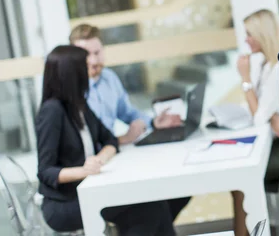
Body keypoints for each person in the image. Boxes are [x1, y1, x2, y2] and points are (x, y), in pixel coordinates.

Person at [36, 45, 176, 235]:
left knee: (151, 205)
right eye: (85, 66)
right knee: (148, 206)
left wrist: (99, 158)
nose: (91, 69)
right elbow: (45, 171)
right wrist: (84, 170)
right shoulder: (52, 111)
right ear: (72, 73)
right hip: (64, 204)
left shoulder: (79, 105)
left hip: (89, 188)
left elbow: (109, 139)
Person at [69, 24, 190, 220]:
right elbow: (78, 145)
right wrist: (121, 138)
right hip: (93, 166)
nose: (93, 60)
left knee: (180, 187)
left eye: (97, 52)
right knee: (151, 202)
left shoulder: (109, 78)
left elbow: (127, 112)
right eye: (85, 54)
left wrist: (153, 123)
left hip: (116, 156)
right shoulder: (71, 90)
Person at [231, 9, 279, 236]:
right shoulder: (266, 65)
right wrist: (269, 116)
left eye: (250, 34)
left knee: (240, 179)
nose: (246, 40)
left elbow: (259, 118)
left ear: (263, 34)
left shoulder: (278, 69)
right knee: (240, 179)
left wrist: (245, 80)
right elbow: (265, 116)